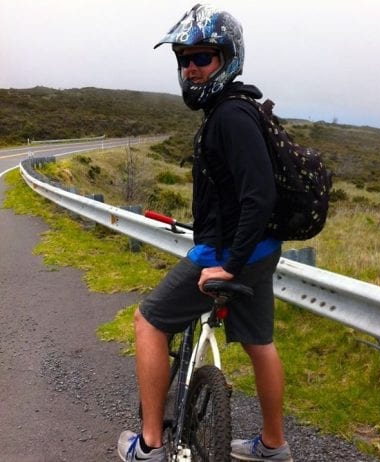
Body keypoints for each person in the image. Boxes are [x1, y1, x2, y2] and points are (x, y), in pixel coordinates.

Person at [118, 4, 292, 462]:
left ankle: (150, 445)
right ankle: (273, 446)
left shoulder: (230, 116)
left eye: (202, 58)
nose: (191, 69)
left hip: (234, 252)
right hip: (261, 249)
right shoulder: (239, 108)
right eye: (184, 60)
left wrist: (228, 264)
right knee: (259, 343)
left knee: (149, 321)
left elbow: (260, 196)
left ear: (227, 58)